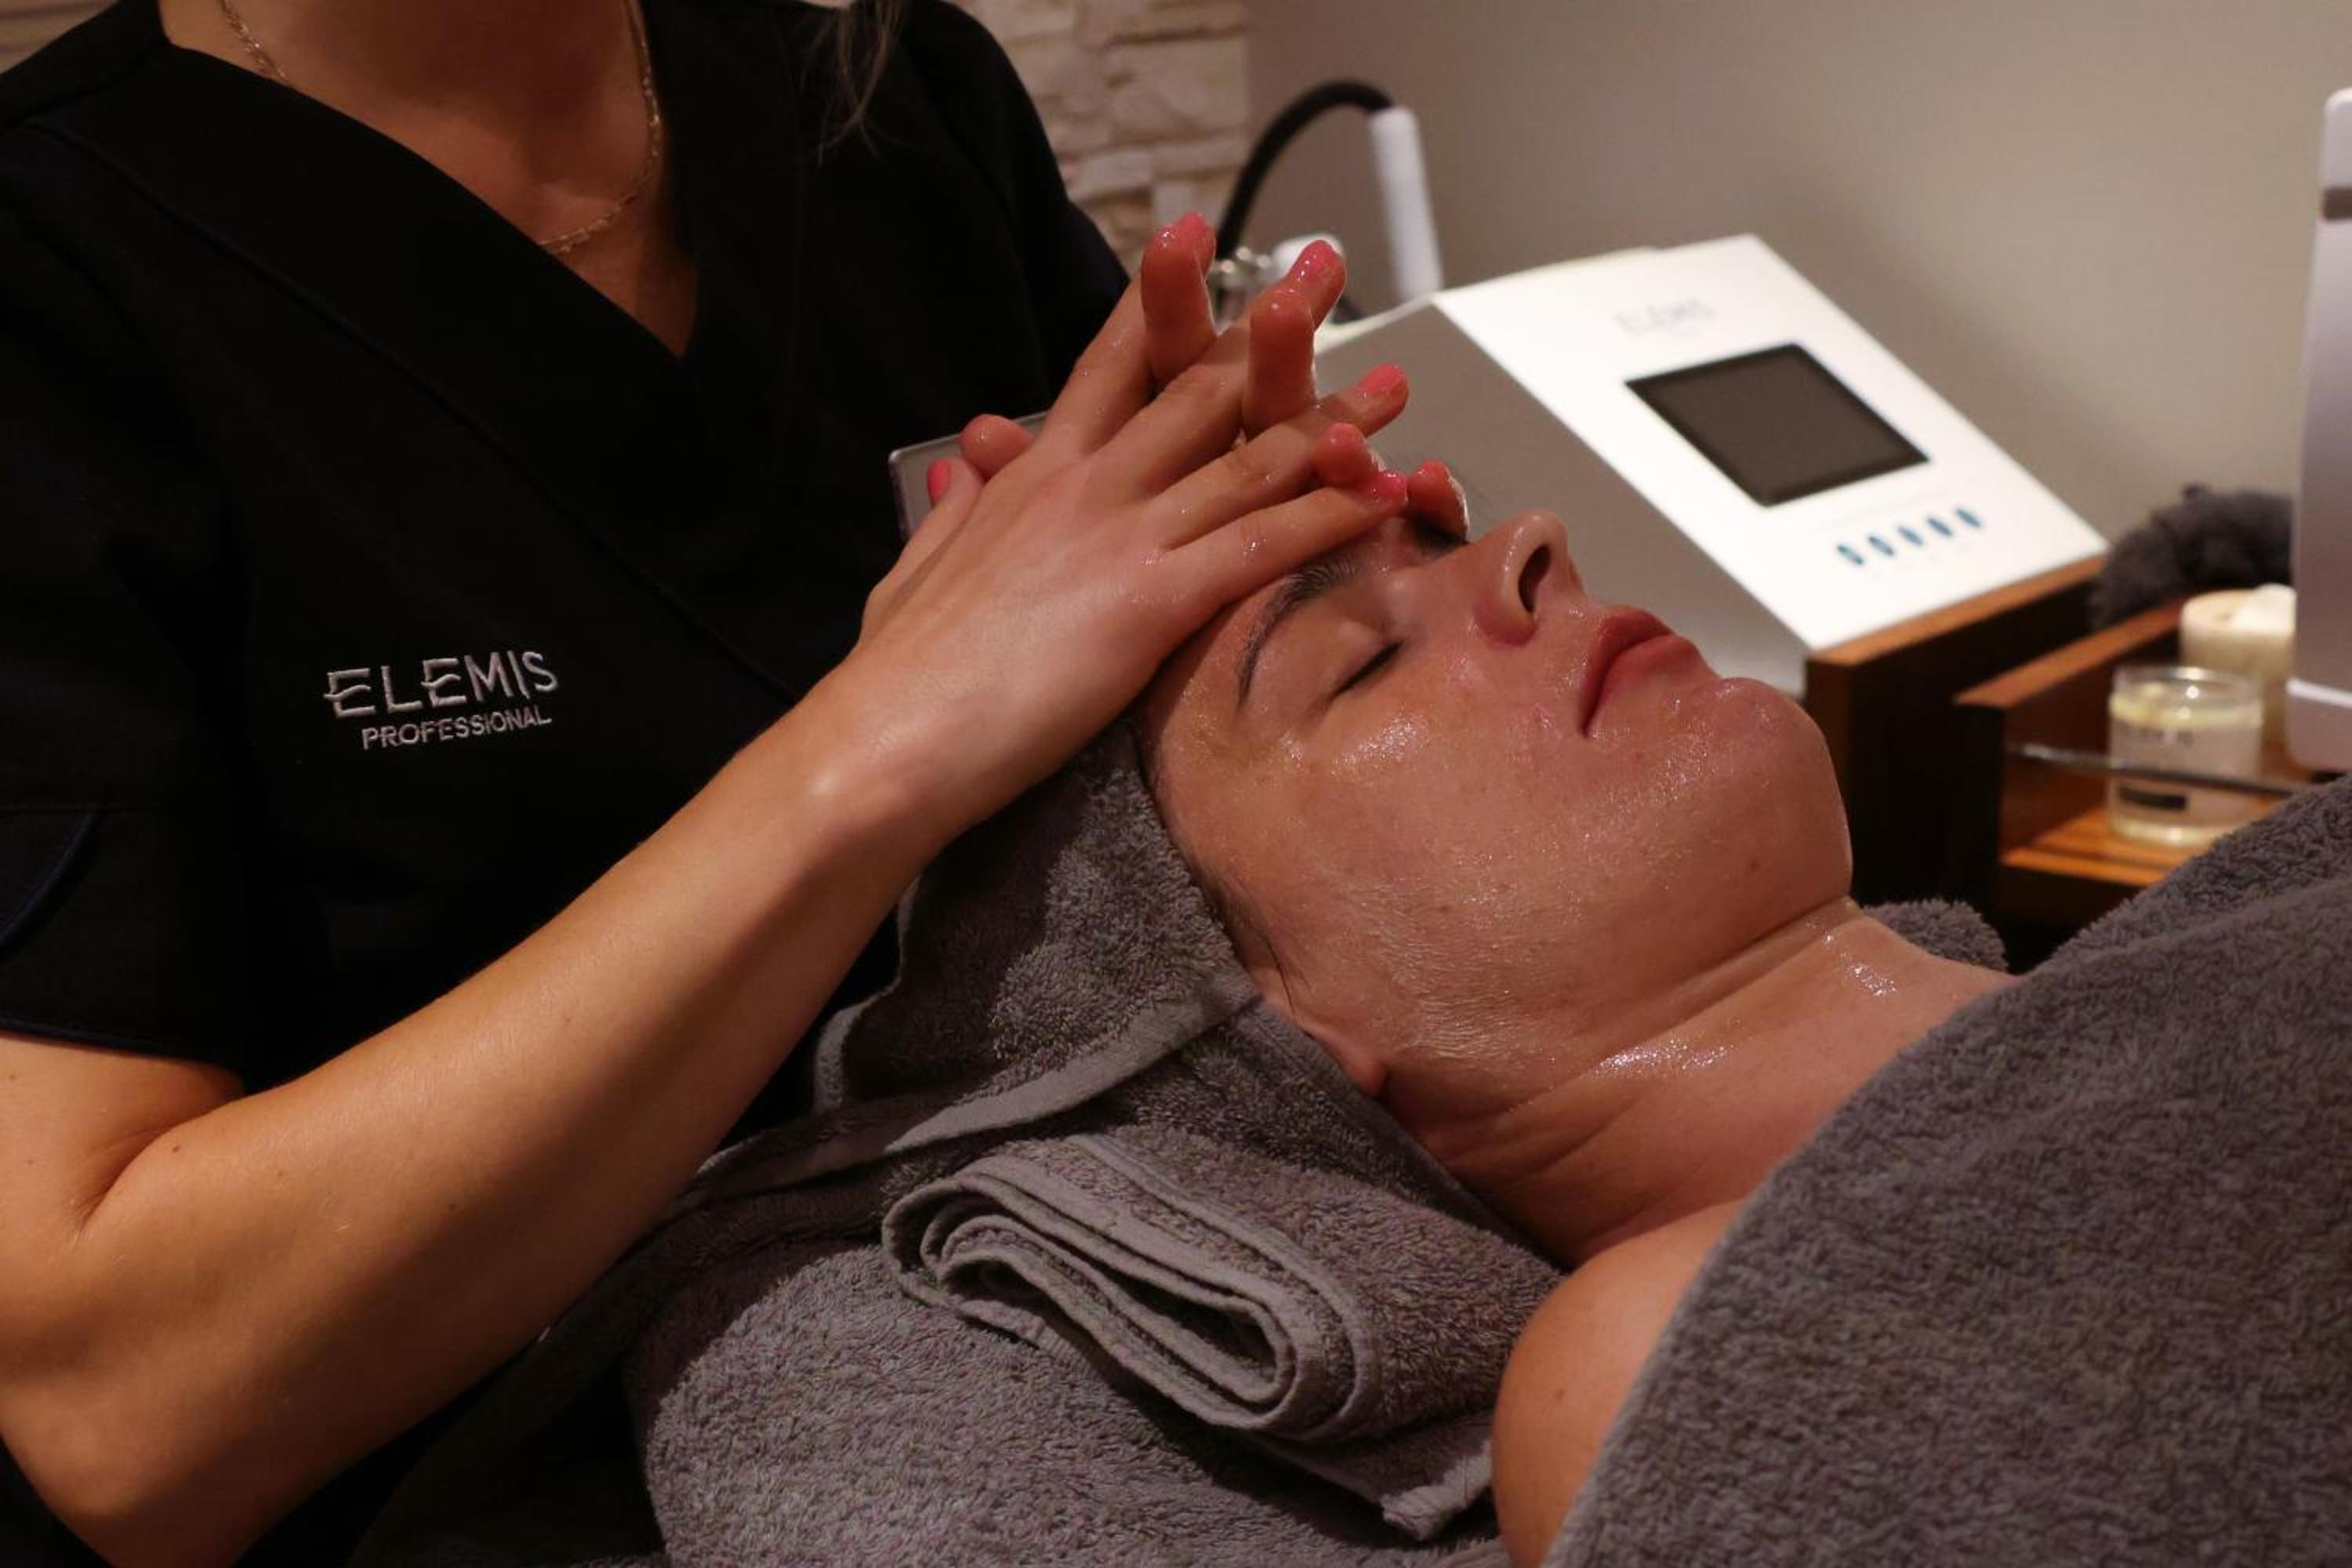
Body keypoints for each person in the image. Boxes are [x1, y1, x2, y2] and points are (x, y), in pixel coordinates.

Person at [0, 1, 1426, 1563]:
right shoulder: (53, 271)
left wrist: (1299, 623)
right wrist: (874, 749)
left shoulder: (900, 104)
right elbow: (122, 1412)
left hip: (1105, 1355)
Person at [1126, 505, 2022, 1562]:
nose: (1531, 540)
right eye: (1363, 661)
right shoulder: (1691, 1362)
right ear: (1279, 1034)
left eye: (1449, 543)